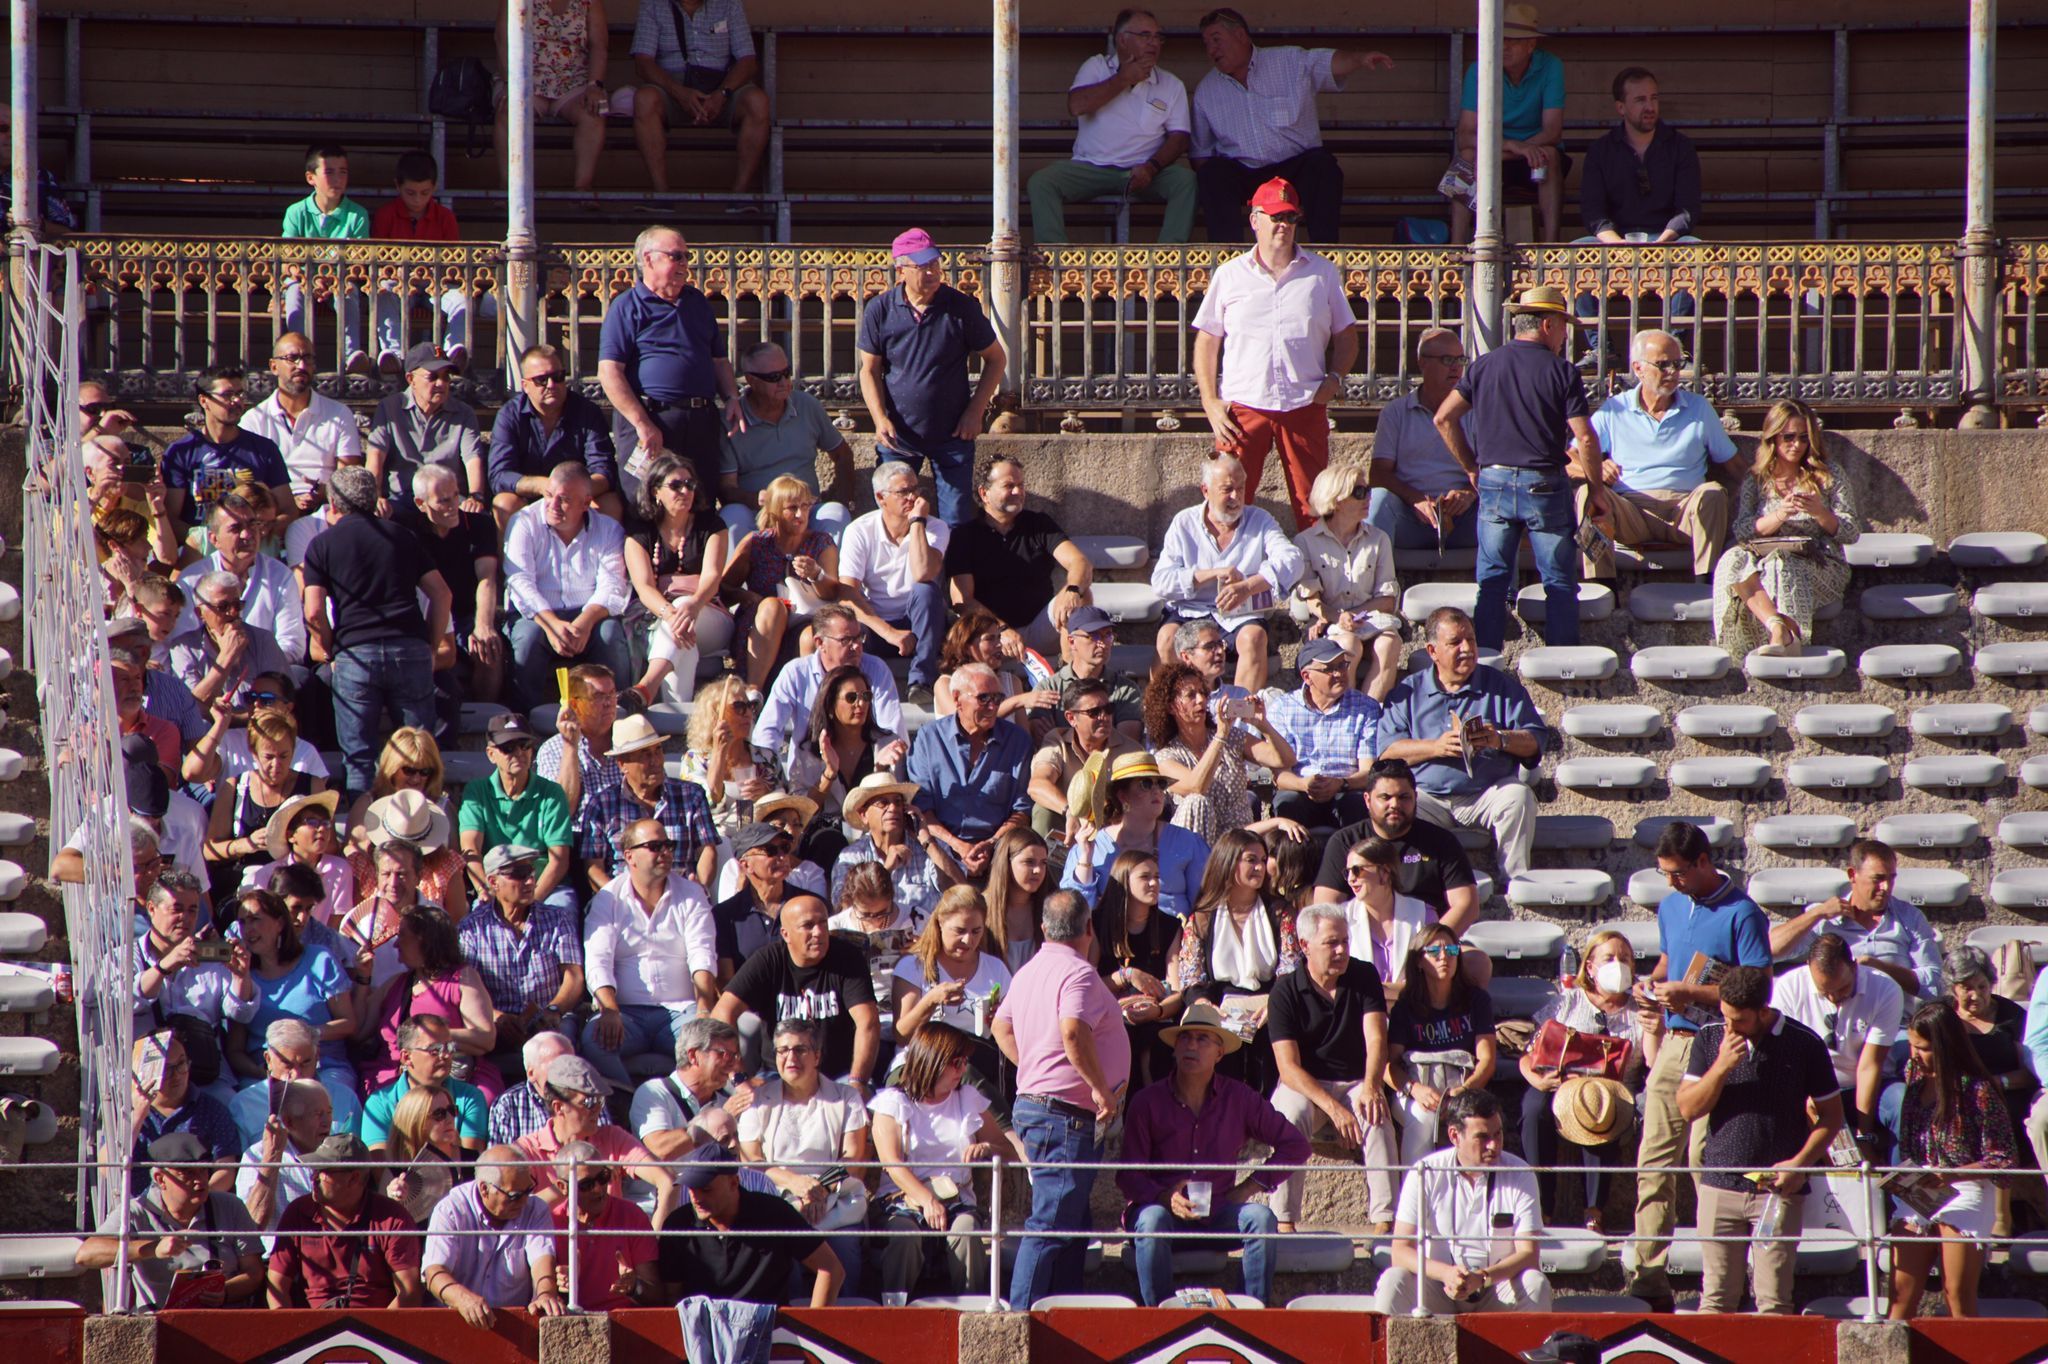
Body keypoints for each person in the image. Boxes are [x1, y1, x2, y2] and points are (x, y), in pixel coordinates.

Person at [1625, 823, 1774, 1310]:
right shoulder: (1670, 904)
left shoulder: (1743, 913)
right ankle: (1649, 1274)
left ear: (1705, 862)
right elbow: (1670, 959)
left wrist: (1690, 993)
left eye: (1678, 873)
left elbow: (1757, 987)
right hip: (1674, 1041)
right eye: (1664, 873)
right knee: (1654, 1159)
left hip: (1721, 1044)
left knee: (1705, 1164)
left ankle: (1722, 1284)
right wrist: (1651, 985)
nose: (1671, 883)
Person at [1432, 286, 1601, 650]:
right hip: (1544, 484)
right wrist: (1596, 489)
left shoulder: (1484, 365)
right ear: (1547, 324)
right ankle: (1563, 664)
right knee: (1558, 581)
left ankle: (1486, 660)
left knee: (1491, 581)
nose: (1564, 336)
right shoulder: (1562, 372)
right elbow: (1585, 440)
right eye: (1562, 327)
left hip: (1493, 479)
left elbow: (1444, 418)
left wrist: (1472, 467)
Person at [1192, 180, 1358, 530]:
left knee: (1314, 503)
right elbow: (1207, 339)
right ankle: (1228, 571)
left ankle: (1316, 579)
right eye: (1276, 217)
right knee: (1229, 497)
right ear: (1255, 220)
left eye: (1291, 217)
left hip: (1304, 401)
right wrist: (1209, 400)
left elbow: (1347, 334)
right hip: (1243, 406)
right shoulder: (1230, 274)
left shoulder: (1322, 272)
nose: (1284, 225)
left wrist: (1335, 379)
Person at [1116, 1000, 1306, 1306]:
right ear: (1174, 1049)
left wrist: (1247, 1188)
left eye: (1202, 1039)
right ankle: (1158, 1316)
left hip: (1217, 1211)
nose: (1191, 1045)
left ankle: (1251, 1313)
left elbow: (1296, 1145)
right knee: (1151, 1220)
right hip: (1162, 1213)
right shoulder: (1146, 1102)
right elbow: (1127, 1175)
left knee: (1261, 1217)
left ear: (1219, 1053)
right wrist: (1165, 1197)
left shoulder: (1240, 1098)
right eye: (1185, 1038)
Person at [993, 891, 1132, 1309]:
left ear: (1043, 929)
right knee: (1052, 1222)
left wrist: (1032, 1068)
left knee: (1071, 1220)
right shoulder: (1080, 974)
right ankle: (1019, 1323)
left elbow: (1001, 1029)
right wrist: (1100, 1089)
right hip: (1064, 1115)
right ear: (1089, 928)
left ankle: (1065, 1308)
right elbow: (1073, 1031)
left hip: (1049, 1110)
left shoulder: (1029, 971)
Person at [1678, 965, 1843, 1314]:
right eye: (1724, 1016)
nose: (1729, 1027)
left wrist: (1800, 1164)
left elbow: (1832, 1117)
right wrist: (1722, 1066)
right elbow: (1688, 1108)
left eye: (1738, 1020)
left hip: (1776, 1191)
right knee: (1715, 1301)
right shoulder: (1709, 1038)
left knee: (1774, 1303)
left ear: (1763, 1011)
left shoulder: (1805, 1043)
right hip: (1719, 1184)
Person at [301, 466, 452, 796]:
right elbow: (442, 594)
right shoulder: (402, 536)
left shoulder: (321, 545)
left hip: (355, 656)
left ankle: (362, 839)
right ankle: (421, 833)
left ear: (335, 505)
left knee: (359, 759)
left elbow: (313, 612)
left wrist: (328, 649)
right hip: (409, 648)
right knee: (418, 754)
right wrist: (429, 645)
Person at [1187, 7, 1392, 244]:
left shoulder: (1289, 60)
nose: (1212, 50)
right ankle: (1227, 259)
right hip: (1244, 172)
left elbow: (1329, 63)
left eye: (1216, 40)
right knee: (1212, 174)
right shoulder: (1206, 91)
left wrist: (1359, 59)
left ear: (1241, 35)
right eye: (1207, 44)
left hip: (1295, 167)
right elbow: (1200, 154)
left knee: (1323, 166)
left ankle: (1325, 254)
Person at [1375, 608, 1549, 880]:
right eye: (1455, 642)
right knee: (1395, 804)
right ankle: (1416, 887)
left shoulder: (1502, 686)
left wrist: (1500, 739)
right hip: (1426, 795)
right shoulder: (1407, 692)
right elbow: (1386, 754)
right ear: (1432, 651)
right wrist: (1435, 747)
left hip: (1485, 793)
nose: (1467, 648)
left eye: (1471, 640)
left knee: (1518, 796)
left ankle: (1516, 883)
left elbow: (1536, 742)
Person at [856, 229, 1006, 527]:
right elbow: (869, 369)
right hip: (899, 435)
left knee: (957, 520)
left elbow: (996, 359)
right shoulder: (880, 309)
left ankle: (954, 575)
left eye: (936, 264)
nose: (933, 272)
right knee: (895, 515)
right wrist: (879, 418)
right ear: (901, 270)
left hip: (953, 434)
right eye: (923, 266)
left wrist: (975, 412)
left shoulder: (962, 308)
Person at [1265, 901, 1396, 1232]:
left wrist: (1371, 1085)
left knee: (1376, 1117)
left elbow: (1376, 1038)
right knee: (1287, 1119)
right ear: (1305, 946)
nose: (1341, 950)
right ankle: (1284, 1221)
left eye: (1345, 941)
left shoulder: (1363, 975)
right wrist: (1334, 1109)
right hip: (1306, 1085)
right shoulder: (1285, 991)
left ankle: (1385, 1222)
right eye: (1331, 943)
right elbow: (1287, 1067)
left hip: (1356, 1080)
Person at [1520, 929, 1659, 1231]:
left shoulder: (1641, 1009)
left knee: (1603, 1106)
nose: (1618, 964)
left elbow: (1653, 1062)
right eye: (1609, 958)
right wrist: (1536, 1080)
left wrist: (1653, 1025)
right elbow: (1529, 1055)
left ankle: (1594, 1209)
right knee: (1533, 1110)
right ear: (1591, 967)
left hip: (1615, 1089)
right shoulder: (1567, 1003)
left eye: (1625, 958)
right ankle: (1541, 1205)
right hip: (1559, 1084)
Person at [1889, 999, 2018, 1321]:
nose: (1915, 1055)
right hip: (1921, 1185)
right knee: (1900, 1296)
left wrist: (1950, 1175)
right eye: (1912, 1046)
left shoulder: (1978, 1089)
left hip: (1967, 1187)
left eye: (1924, 1048)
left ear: (1944, 1047)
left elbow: (2002, 1158)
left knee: (1957, 1296)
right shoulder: (1913, 1076)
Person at [870, 1021, 1019, 1299]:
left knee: (967, 1230)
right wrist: (927, 1200)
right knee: (905, 1235)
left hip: (957, 1198)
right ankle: (894, 1307)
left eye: (965, 1062)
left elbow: (1007, 1149)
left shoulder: (967, 1097)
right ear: (932, 1061)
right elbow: (891, 1163)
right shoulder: (893, 1102)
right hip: (904, 1199)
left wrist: (986, 1147)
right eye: (956, 1062)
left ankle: (973, 1307)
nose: (963, 1070)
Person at [1579, 330, 1738, 583]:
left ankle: (1705, 583)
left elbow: (1733, 462)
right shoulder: (1615, 409)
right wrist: (1596, 465)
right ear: (1638, 368)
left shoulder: (1698, 408)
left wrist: (1770, 485)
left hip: (1683, 511)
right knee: (1587, 494)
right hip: (1631, 511)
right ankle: (1601, 586)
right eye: (1663, 365)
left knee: (1714, 492)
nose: (1673, 372)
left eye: (1677, 364)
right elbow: (1572, 455)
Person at [1374, 1089, 1552, 1314]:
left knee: (1535, 1284)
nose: (1493, 1146)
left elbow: (1529, 1254)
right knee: (1393, 1280)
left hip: (1495, 1287)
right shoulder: (1424, 1172)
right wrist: (1446, 1273)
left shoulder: (1521, 1173)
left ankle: (1530, 1351)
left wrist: (1482, 1277)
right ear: (1454, 1136)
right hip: (1437, 1286)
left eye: (1498, 1135)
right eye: (1482, 1137)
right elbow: (1399, 1251)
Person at [1028, 9, 1196, 245]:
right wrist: (1123, 78)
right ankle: (1055, 258)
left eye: (1157, 37)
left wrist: (1151, 167)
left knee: (1185, 181)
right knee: (1042, 183)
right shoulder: (1096, 66)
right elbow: (1076, 105)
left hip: (1144, 171)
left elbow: (1180, 137)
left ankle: (1167, 258)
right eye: (1145, 35)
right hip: (1091, 167)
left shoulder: (1171, 83)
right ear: (1122, 40)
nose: (1153, 43)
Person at [597, 224, 743, 496]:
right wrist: (642, 423)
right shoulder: (627, 306)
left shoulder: (697, 302)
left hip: (699, 420)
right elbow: (609, 372)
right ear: (649, 259)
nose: (684, 264)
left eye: (686, 257)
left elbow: (719, 359)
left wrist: (732, 397)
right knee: (646, 504)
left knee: (699, 503)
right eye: (676, 256)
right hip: (652, 419)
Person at [1711, 397, 1861, 658]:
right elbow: (1743, 530)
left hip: (1821, 561)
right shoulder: (1757, 479)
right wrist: (1779, 514)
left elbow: (1851, 531)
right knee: (1732, 558)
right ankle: (1777, 627)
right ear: (1774, 438)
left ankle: (1790, 636)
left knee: (1783, 563)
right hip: (1765, 557)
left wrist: (1819, 512)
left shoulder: (1829, 474)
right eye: (1789, 437)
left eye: (1804, 438)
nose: (1797, 445)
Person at [582, 816, 720, 1090]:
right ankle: (625, 1100)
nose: (666, 852)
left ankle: (687, 1103)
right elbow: (598, 959)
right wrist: (609, 1009)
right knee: (593, 1039)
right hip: (626, 1014)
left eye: (668, 845)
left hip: (682, 1011)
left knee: (712, 1043)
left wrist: (704, 1009)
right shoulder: (608, 898)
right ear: (629, 856)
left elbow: (702, 954)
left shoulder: (691, 894)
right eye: (655, 846)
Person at [737, 1018, 872, 1287]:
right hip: (777, 1201)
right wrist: (795, 1184)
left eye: (800, 1050)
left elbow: (854, 1160)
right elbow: (751, 1161)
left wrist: (819, 1189)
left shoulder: (846, 1097)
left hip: (837, 1201)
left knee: (845, 1255)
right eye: (782, 1050)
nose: (790, 1058)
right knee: (783, 1258)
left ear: (817, 1055)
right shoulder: (758, 1100)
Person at [1151, 455, 1302, 694]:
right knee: (1167, 638)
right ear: (1205, 490)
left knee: (1254, 637)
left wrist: (1248, 586)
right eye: (1227, 490)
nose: (1236, 497)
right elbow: (1161, 582)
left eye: (1241, 488)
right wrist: (1210, 574)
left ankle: (1239, 719)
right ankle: (1173, 716)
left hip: (1238, 616)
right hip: (1192, 612)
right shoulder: (1184, 522)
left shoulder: (1259, 519)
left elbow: (1292, 560)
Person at [1316, 794, 1483, 997]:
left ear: (1385, 873)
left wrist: (1380, 992)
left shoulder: (1423, 914)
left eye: (1358, 870)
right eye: (1347, 872)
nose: (1351, 879)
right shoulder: (1340, 919)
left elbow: (1431, 982)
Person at [76, 1132, 265, 1310]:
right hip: (158, 1322)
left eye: (203, 1171)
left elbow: (254, 1272)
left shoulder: (230, 1206)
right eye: (188, 1173)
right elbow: (86, 1254)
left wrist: (225, 1292)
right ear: (160, 1179)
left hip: (221, 1317)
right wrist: (153, 1249)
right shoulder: (136, 1211)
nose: (200, 1181)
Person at [1167, 832, 1296, 1089]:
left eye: (1262, 859)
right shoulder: (1203, 917)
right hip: (1221, 1007)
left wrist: (1275, 1002)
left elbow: (1290, 967)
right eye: (1251, 860)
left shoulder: (1280, 912)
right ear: (1228, 862)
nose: (1260, 867)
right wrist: (1204, 1003)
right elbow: (1192, 975)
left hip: (1270, 1003)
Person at [715, 893, 882, 1091]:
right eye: (808, 925)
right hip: (777, 1074)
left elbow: (868, 1022)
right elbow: (722, 1013)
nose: (819, 932)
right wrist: (740, 1079)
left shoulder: (847, 957)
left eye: (823, 923)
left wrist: (858, 1081)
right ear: (786, 934)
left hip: (838, 1075)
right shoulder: (768, 959)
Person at [502, 461, 635, 704]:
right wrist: (552, 623)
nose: (552, 506)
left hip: (589, 614)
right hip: (537, 615)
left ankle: (620, 712)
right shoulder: (523, 522)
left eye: (563, 500)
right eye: (549, 495)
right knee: (527, 639)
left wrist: (584, 623)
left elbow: (613, 587)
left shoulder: (608, 530)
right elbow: (519, 582)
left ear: (586, 503)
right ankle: (523, 721)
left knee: (610, 635)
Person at [658, 1144, 844, 1307]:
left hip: (769, 1334)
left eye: (706, 1189)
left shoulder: (774, 1213)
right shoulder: (678, 1225)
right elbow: (672, 1298)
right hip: (703, 1336)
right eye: (691, 1188)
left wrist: (811, 1334)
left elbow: (831, 1269)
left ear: (734, 1183)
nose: (696, 1198)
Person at [460, 843, 586, 1082]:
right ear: (493, 882)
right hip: (496, 1022)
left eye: (531, 873)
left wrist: (554, 1009)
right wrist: (497, 1016)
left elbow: (574, 975)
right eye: (518, 875)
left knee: (558, 1043)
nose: (529, 881)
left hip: (549, 1017)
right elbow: (466, 987)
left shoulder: (557, 919)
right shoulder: (472, 928)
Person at [946, 457, 1095, 657]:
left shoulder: (1039, 524)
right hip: (991, 635)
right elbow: (963, 601)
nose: (1018, 492)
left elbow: (1080, 562)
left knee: (1081, 594)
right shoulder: (964, 535)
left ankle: (1070, 678)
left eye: (1021, 485)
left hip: (1040, 628)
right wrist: (1001, 629)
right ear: (984, 493)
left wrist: (1073, 590)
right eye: (1009, 486)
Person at [240, 332, 364, 565]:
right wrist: (287, 502)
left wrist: (323, 492)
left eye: (308, 358)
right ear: (274, 366)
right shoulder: (254, 419)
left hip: (325, 512)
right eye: (292, 358)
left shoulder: (338, 414)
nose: (302, 365)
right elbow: (247, 484)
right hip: (273, 514)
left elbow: (350, 478)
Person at [1770, 839, 1944, 1004]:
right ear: (1853, 875)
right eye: (1878, 879)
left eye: (1891, 878)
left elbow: (1934, 984)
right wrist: (1817, 913)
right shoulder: (1825, 920)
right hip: (1835, 1020)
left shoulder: (1910, 918)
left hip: (1896, 1025)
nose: (1886, 887)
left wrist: (1879, 967)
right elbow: (1771, 950)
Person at [132, 871, 258, 1096]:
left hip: (205, 1075)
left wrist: (241, 976)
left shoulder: (211, 958)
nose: (186, 918)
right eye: (177, 909)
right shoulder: (125, 956)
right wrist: (164, 966)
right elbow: (124, 1002)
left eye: (192, 910)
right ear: (151, 909)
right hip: (146, 1076)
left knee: (229, 1105)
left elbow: (241, 1014)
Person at [906, 663, 1034, 879]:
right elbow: (922, 809)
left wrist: (991, 844)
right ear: (957, 699)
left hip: (1000, 846)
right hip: (942, 844)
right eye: (984, 698)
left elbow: (1021, 810)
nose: (993, 707)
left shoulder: (1017, 740)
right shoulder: (929, 739)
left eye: (998, 698)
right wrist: (959, 847)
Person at [629, 0, 771, 196]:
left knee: (758, 102)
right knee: (644, 99)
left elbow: (747, 61)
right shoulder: (653, 4)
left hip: (722, 86)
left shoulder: (729, 4)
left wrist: (722, 94)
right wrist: (679, 92)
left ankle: (740, 194)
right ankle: (661, 194)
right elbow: (643, 63)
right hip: (672, 88)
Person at [265, 1132, 422, 1308]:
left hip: (374, 1329)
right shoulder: (298, 1213)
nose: (313, 1177)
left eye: (323, 1171)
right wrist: (293, 1331)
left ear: (354, 1178)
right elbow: (276, 1287)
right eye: (313, 1170)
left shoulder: (393, 1219)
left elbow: (409, 1292)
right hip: (313, 1329)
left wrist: (376, 1333)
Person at [514, 1055, 677, 1225]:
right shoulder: (527, 1150)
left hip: (608, 1247)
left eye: (600, 1100)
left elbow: (667, 1180)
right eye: (589, 1102)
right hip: (551, 1246)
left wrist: (654, 1240)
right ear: (558, 1107)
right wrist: (576, 1183)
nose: (599, 1108)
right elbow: (516, 1210)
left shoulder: (613, 1138)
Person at [1771, 933, 1904, 1139]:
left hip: (1871, 1085)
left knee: (1900, 1101)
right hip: (1812, 1089)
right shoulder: (1788, 988)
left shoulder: (1885, 989)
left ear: (1854, 967)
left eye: (1842, 988)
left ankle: (1900, 1170)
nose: (1834, 998)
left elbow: (1870, 1066)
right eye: (1825, 991)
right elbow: (1788, 1058)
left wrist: (1864, 1133)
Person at [1451, 4, 1566, 244]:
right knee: (1466, 155)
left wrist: (1522, 149)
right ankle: (1456, 247)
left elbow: (1552, 132)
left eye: (1513, 40)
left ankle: (1552, 246)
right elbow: (1465, 135)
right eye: (1500, 37)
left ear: (1531, 44)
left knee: (1550, 155)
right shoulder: (1479, 69)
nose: (1503, 46)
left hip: (1533, 155)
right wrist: (1513, 146)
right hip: (1496, 153)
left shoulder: (1551, 66)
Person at [1146, 664, 1297, 845]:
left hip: (1238, 839)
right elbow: (1196, 786)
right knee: (1196, 802)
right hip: (1197, 845)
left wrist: (1264, 726)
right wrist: (1220, 736)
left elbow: (1285, 759)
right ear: (1171, 707)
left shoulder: (1232, 737)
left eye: (1203, 692)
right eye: (1191, 695)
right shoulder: (1166, 757)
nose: (1201, 699)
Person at [226, 888, 356, 1096]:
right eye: (242, 923)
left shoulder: (319, 959)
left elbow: (348, 1023)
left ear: (279, 923)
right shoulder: (242, 974)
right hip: (264, 1074)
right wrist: (260, 1072)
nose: (248, 929)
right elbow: (235, 1050)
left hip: (324, 1067)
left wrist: (306, 1035)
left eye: (255, 920)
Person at [626, 453, 733, 706]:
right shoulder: (640, 531)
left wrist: (692, 606)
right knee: (680, 634)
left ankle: (645, 687)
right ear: (656, 492)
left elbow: (712, 577)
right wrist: (671, 614)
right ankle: (677, 720)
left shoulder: (712, 525)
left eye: (690, 484)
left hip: (710, 615)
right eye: (676, 485)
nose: (685, 491)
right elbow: (643, 587)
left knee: (682, 613)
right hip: (661, 619)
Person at [841, 460, 950, 702]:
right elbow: (847, 594)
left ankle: (921, 681)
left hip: (921, 625)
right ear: (881, 498)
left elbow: (923, 572)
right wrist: (889, 633)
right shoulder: (859, 530)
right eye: (903, 492)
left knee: (926, 590)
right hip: (876, 627)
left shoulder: (936, 527)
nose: (912, 497)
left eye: (916, 490)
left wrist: (917, 523)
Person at [397, 463, 505, 708]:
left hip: (466, 612)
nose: (453, 506)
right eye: (444, 501)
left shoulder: (478, 525)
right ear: (421, 504)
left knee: (489, 648)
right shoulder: (408, 531)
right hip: (427, 614)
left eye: (456, 495)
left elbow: (486, 576)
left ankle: (484, 714)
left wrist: (484, 624)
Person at [421, 1147, 568, 1327]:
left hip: (515, 1324)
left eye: (528, 1190)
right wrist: (463, 1299)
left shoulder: (535, 1209)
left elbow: (542, 1261)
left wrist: (544, 1294)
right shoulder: (450, 1209)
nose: (524, 1201)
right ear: (485, 1189)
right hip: (454, 1322)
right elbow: (434, 1273)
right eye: (515, 1196)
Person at [1386, 926, 1497, 1163]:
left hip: (1463, 1086)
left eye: (1451, 949)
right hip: (1415, 1091)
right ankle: (1416, 1194)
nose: (1444, 956)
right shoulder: (1405, 1007)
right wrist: (1414, 1089)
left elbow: (1487, 1059)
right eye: (1434, 950)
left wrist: (1465, 1089)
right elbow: (1388, 1065)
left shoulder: (1476, 1000)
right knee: (1422, 1117)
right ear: (1419, 961)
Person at [1292, 462, 1403, 699]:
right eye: (1359, 492)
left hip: (1371, 619)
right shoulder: (1306, 542)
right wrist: (1337, 617)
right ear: (1337, 500)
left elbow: (1387, 599)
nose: (1368, 498)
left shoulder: (1378, 539)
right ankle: (1348, 711)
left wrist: (1356, 614)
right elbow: (1311, 598)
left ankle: (1370, 713)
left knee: (1390, 643)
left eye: (1368, 490)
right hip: (1332, 625)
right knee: (1349, 645)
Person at [723, 476, 843, 693]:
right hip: (761, 625)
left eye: (805, 506)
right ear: (775, 511)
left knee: (812, 635)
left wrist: (816, 574)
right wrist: (749, 598)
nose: (800, 515)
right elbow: (724, 589)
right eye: (792, 508)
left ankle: (812, 704)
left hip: (803, 622)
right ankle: (754, 693)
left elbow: (833, 592)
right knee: (772, 606)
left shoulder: (821, 542)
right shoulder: (756, 543)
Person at [574, 713, 720, 891]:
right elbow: (593, 866)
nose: (655, 761)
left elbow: (707, 850)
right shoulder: (602, 805)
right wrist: (616, 900)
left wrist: (699, 889)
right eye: (644, 755)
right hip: (622, 901)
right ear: (622, 764)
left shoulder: (691, 795)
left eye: (658, 751)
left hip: (681, 897)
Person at [365, 151, 483, 370]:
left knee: (462, 299)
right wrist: (396, 274)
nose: (417, 200)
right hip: (399, 284)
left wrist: (437, 276)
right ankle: (393, 353)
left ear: (434, 187)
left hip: (436, 285)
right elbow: (378, 260)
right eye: (410, 193)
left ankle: (454, 349)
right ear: (398, 186)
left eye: (424, 193)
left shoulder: (445, 217)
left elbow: (454, 260)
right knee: (384, 292)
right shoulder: (386, 215)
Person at [752, 602, 907, 767]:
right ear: (820, 643)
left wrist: (882, 762)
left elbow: (892, 728)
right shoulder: (795, 673)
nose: (856, 646)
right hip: (809, 778)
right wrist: (766, 772)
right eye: (846, 640)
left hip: (866, 774)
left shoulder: (876, 669)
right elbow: (767, 731)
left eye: (859, 637)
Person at [1366, 328, 1479, 553]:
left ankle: (1503, 585)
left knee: (1499, 502)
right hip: (1411, 516)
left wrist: (1469, 492)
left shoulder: (1477, 411)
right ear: (1422, 363)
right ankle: (1375, 583)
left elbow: (1494, 468)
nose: (1456, 367)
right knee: (1378, 500)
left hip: (1464, 518)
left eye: (1460, 359)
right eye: (1447, 359)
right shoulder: (1396, 412)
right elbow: (1378, 474)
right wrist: (1415, 499)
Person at [1061, 750, 1211, 918]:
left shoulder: (1187, 842)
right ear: (1123, 796)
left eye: (1160, 784)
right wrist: (1086, 858)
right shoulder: (1089, 848)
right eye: (1146, 784)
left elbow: (1205, 905)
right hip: (1112, 941)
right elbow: (1075, 913)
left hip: (1175, 941)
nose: (1156, 791)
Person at [892, 886, 1013, 1094]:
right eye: (959, 931)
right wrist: (930, 1000)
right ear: (940, 924)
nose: (968, 940)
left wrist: (1000, 1020)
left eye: (976, 931)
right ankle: (1005, 1125)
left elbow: (1015, 1027)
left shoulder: (995, 968)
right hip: (922, 1065)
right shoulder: (914, 966)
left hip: (979, 1063)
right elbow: (902, 1035)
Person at [490, 343, 620, 528]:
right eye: (541, 380)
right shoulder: (509, 415)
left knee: (609, 504)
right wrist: (544, 486)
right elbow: (499, 475)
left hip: (576, 499)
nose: (551, 385)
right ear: (525, 385)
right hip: (530, 499)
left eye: (558, 377)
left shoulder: (587, 412)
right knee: (504, 503)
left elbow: (604, 471)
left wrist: (571, 492)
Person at [458, 714, 578, 912]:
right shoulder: (476, 792)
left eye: (525, 745)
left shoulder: (551, 793)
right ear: (490, 754)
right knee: (479, 916)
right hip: (496, 887)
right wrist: (485, 890)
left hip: (545, 886)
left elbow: (559, 861)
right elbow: (470, 849)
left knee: (563, 908)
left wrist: (530, 904)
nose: (519, 753)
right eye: (508, 748)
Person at [175, 490, 308, 666]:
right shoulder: (192, 580)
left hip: (265, 674)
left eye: (253, 525)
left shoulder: (280, 575)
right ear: (214, 539)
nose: (247, 534)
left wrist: (251, 664)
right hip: (208, 672)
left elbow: (292, 644)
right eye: (236, 528)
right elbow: (183, 642)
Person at [719, 341, 857, 510]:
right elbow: (727, 489)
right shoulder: (731, 419)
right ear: (751, 380)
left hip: (805, 509)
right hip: (757, 510)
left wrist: (843, 498)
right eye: (774, 377)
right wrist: (758, 499)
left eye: (786, 373)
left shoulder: (807, 405)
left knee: (836, 513)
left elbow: (843, 455)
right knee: (733, 515)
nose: (783, 382)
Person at [1262, 638, 1382, 829]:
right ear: (1307, 677)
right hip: (1300, 786)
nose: (1340, 673)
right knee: (1288, 803)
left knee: (1357, 805)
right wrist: (1304, 785)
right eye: (1329, 669)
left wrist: (1340, 783)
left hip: (1347, 787)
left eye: (1342, 665)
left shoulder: (1366, 707)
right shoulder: (1282, 709)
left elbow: (1368, 771)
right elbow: (1280, 775)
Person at [497, 0, 610, 200]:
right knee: (510, 111)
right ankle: (511, 191)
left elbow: (599, 44)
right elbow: (502, 38)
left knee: (594, 111)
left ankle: (582, 189)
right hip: (526, 80)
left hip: (573, 81)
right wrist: (510, 82)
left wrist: (594, 85)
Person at [161, 365, 293, 534]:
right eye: (227, 395)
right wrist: (206, 542)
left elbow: (289, 510)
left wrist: (263, 530)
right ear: (204, 401)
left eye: (239, 394)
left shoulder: (264, 449)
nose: (237, 400)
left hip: (252, 545)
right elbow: (171, 518)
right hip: (199, 549)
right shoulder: (181, 452)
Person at [1580, 67, 1703, 244]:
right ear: (1621, 108)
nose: (1650, 107)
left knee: (1695, 247)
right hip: (1615, 241)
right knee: (1576, 249)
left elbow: (1687, 211)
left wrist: (1660, 244)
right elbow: (1593, 211)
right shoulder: (1600, 151)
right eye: (1640, 100)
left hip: (1666, 239)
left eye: (1654, 98)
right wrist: (1617, 244)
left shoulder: (1680, 147)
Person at [1092, 851, 1182, 1087]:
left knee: (1159, 1043)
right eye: (1145, 877)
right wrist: (1127, 976)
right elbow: (1087, 986)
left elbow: (1177, 989)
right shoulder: (1097, 923)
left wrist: (1159, 1012)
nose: (1154, 883)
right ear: (1124, 881)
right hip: (1110, 1015)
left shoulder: (1169, 926)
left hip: (1156, 1016)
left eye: (1156, 876)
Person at [279, 144, 371, 374]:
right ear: (311, 178)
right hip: (302, 279)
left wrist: (331, 280)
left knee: (348, 292)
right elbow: (290, 256)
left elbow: (358, 260)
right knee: (294, 294)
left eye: (343, 171)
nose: (338, 178)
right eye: (329, 172)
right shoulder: (296, 212)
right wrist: (310, 279)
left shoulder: (357, 214)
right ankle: (298, 355)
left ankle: (351, 356)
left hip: (340, 280)